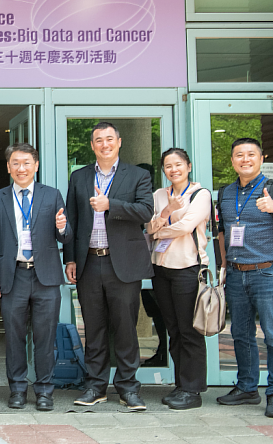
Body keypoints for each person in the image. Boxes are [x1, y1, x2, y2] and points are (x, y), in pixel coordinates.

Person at [62, 121, 153, 411]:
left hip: (123, 264)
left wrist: (110, 205)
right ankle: (95, 386)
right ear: (92, 145)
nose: (104, 144)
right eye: (98, 140)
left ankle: (128, 388)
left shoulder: (137, 175)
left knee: (125, 328)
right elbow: (72, 220)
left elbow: (146, 211)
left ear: (119, 142)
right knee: (94, 327)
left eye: (109, 139)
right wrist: (71, 259)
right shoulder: (79, 177)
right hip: (89, 261)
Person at [0, 143, 72, 411]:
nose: (21, 168)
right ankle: (18, 389)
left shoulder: (52, 195)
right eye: (15, 163)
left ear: (35, 166)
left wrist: (63, 227)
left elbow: (65, 236)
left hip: (45, 276)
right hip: (13, 276)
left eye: (26, 163)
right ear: (8, 167)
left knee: (45, 338)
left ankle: (45, 390)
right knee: (14, 337)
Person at [145, 148, 209, 410]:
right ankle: (181, 384)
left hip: (187, 268)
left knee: (189, 329)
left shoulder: (200, 194)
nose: (173, 169)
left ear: (189, 166)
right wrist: (164, 215)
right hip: (161, 269)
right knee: (173, 330)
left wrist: (160, 230)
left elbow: (186, 226)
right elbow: (147, 227)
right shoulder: (159, 195)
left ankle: (193, 390)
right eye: (168, 166)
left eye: (178, 164)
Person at [215, 138, 273, 416]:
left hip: (267, 271)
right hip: (236, 274)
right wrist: (224, 267)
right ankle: (247, 388)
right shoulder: (225, 192)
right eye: (239, 155)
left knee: (272, 335)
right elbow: (223, 232)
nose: (245, 159)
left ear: (261, 159)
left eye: (251, 154)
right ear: (232, 161)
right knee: (240, 333)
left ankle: (272, 392)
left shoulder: (271, 188)